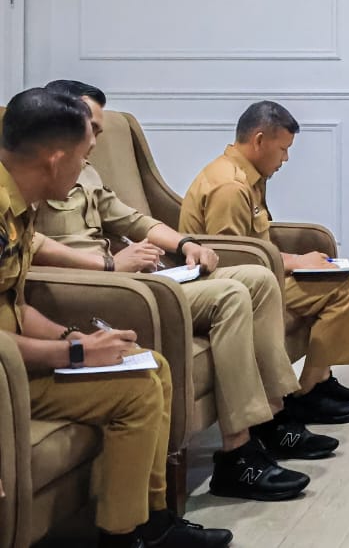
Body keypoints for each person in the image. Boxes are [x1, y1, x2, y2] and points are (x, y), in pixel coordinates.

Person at [33, 81, 349, 502]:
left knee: (256, 279)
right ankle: (237, 455)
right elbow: (32, 248)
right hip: (98, 290)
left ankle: (274, 415)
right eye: (89, 128)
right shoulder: (37, 173)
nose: (96, 139)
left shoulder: (85, 169)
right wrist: (110, 264)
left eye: (96, 129)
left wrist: (184, 244)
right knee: (231, 296)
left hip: (130, 279)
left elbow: (132, 219)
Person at [0, 87, 231, 547]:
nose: (88, 166)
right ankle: (123, 536)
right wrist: (77, 352)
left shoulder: (20, 205)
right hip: (6, 376)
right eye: (84, 155)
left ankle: (152, 521)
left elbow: (13, 304)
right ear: (54, 159)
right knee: (137, 388)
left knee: (150, 364)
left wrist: (73, 336)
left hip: (19, 358)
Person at [179, 100, 349, 421]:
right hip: (233, 286)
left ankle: (319, 381)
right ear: (259, 140)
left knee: (338, 281)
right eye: (282, 149)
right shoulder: (230, 186)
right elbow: (233, 257)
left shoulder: (248, 176)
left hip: (260, 274)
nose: (286, 158)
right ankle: (306, 393)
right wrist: (295, 261)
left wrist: (297, 261)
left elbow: (255, 244)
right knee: (341, 290)